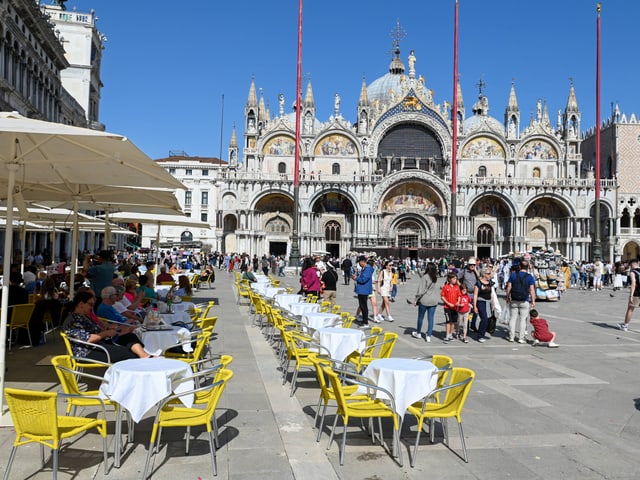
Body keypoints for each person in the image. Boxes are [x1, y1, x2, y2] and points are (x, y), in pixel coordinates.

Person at [62, 290, 149, 362]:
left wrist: (109, 330)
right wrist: (105, 333)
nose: (92, 308)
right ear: (81, 304)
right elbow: (86, 338)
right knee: (127, 353)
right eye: (90, 304)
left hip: (99, 343)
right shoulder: (73, 320)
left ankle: (144, 355)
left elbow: (97, 331)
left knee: (130, 337)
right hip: (86, 351)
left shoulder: (85, 316)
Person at [505, 259, 536, 343]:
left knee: (513, 318)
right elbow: (532, 290)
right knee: (523, 319)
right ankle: (521, 338)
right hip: (524, 300)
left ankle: (511, 337)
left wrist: (508, 296)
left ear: (519, 266)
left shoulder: (513, 275)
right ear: (528, 267)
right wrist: (533, 300)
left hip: (514, 299)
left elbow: (509, 287)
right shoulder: (530, 277)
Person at [411, 262, 440, 342]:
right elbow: (423, 276)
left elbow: (420, 290)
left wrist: (416, 299)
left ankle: (419, 333)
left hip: (424, 300)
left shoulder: (425, 277)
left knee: (421, 317)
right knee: (431, 318)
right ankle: (428, 335)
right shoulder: (435, 277)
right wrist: (419, 270)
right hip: (434, 300)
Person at [473, 267, 495, 343]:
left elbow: (492, 294)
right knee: (484, 318)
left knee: (488, 318)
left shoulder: (490, 282)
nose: (490, 275)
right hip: (481, 301)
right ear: (483, 274)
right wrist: (475, 306)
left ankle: (482, 331)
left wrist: (493, 303)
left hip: (488, 302)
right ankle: (480, 335)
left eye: (490, 273)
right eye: (488, 273)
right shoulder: (478, 283)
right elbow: (475, 295)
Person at [458, 257, 480, 332]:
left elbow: (480, 278)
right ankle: (466, 325)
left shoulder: (476, 271)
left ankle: (473, 324)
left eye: (473, 265)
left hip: (475, 294)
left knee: (475, 310)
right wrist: (461, 286)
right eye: (471, 265)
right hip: (467, 294)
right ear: (468, 265)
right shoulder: (464, 271)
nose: (472, 266)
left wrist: (475, 270)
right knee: (466, 310)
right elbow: (456, 277)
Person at [619, 260, 640, 332]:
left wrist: (631, 295)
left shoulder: (633, 272)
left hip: (636, 293)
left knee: (630, 309)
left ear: (632, 265)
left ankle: (625, 325)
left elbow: (633, 284)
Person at [353, 255, 373, 327]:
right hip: (362, 289)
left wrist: (356, 278)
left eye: (359, 262)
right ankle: (364, 320)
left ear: (362, 262)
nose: (359, 264)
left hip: (364, 290)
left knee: (363, 306)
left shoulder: (367, 269)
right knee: (362, 306)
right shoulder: (365, 268)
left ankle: (365, 322)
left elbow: (363, 279)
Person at [440, 272, 461, 343]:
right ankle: (447, 335)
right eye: (454, 278)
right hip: (447, 307)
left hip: (454, 308)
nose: (455, 280)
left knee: (453, 322)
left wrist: (458, 302)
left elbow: (459, 296)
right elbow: (442, 296)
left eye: (456, 278)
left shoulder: (457, 287)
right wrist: (448, 303)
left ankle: (450, 334)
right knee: (448, 321)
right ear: (449, 279)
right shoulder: (446, 287)